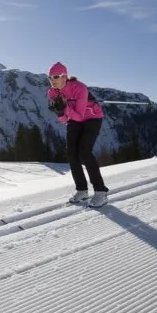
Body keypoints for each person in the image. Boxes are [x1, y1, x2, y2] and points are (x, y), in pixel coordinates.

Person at [47, 62, 109, 207]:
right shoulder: (52, 93)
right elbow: (65, 120)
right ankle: (82, 190)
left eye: (55, 77)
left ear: (64, 76)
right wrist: (60, 112)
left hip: (92, 118)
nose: (52, 80)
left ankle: (101, 191)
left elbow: (80, 116)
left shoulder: (80, 88)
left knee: (84, 152)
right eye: (50, 77)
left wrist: (65, 108)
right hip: (74, 118)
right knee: (72, 153)